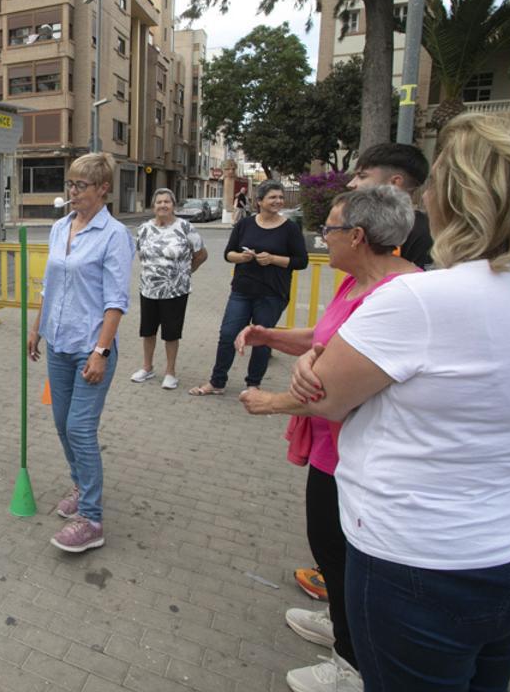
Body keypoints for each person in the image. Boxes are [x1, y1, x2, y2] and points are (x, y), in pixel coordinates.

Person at [284, 112, 510, 690]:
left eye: (436, 187)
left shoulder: (422, 299)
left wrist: (310, 365)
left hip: (420, 563)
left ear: (461, 198)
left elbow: (326, 398)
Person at [237, 186, 421, 692]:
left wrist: (268, 401)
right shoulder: (354, 283)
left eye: (331, 230)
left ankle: (353, 665)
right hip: (330, 445)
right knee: (329, 546)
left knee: (343, 555)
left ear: (358, 237)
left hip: (358, 452)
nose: (324, 239)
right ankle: (340, 624)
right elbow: (323, 336)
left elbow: (333, 391)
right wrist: (269, 335)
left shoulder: (396, 298)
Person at [27, 153, 134, 553]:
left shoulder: (114, 235)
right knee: (60, 422)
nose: (72, 192)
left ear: (103, 189)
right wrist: (37, 328)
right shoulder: (59, 228)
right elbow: (48, 286)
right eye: (69, 184)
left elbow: (116, 301)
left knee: (80, 429)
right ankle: (80, 482)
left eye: (80, 186)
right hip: (58, 343)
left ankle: (91, 517)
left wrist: (101, 351)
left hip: (91, 347)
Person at [189, 180, 307, 396]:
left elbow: (301, 261)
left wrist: (273, 259)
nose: (278, 201)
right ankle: (217, 382)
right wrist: (242, 257)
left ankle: (253, 385)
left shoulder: (289, 228)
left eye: (280, 197)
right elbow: (228, 254)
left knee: (262, 339)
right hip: (242, 291)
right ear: (259, 201)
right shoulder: (245, 225)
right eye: (273, 197)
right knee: (227, 335)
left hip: (272, 293)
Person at [130, 188, 208, 390]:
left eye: (167, 201)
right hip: (148, 289)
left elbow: (201, 254)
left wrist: (186, 272)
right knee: (147, 331)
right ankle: (147, 368)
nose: (163, 205)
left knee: (171, 333)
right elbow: (142, 255)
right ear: (153, 206)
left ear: (174, 205)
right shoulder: (144, 228)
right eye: (159, 202)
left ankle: (170, 372)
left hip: (175, 291)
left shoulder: (185, 227)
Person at [346, 142, 432, 268]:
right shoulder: (363, 226)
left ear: (394, 182)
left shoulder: (423, 234)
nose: (351, 184)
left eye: (362, 176)